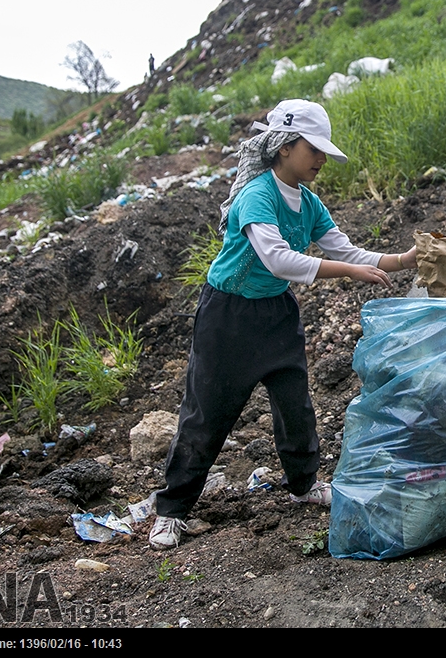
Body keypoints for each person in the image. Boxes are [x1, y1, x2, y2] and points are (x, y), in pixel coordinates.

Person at [149, 99, 419, 550]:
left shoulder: (309, 203)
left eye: (322, 152)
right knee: (207, 414)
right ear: (283, 147)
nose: (319, 160)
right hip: (228, 317)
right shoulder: (257, 194)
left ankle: (303, 485)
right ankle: (171, 509)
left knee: (295, 406)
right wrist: (349, 273)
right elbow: (276, 259)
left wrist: (405, 259)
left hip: (276, 315)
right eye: (313, 149)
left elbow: (347, 250)